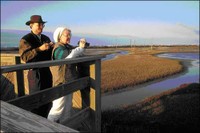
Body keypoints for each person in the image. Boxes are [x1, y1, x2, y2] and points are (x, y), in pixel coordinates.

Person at [48, 27, 87, 123]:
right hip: (60, 83)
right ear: (59, 37)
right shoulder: (58, 49)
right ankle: (47, 128)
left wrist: (81, 48)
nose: (69, 37)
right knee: (57, 110)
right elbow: (69, 56)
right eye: (66, 35)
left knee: (67, 109)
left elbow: (77, 53)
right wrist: (80, 48)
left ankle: (65, 128)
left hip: (68, 81)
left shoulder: (67, 47)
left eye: (70, 35)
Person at [19, 15, 53, 118]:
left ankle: (45, 124)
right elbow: (24, 57)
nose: (41, 27)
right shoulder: (25, 39)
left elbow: (50, 56)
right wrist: (39, 49)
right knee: (36, 102)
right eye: (39, 25)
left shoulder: (46, 38)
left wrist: (52, 48)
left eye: (42, 25)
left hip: (46, 72)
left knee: (47, 99)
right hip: (34, 73)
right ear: (31, 25)